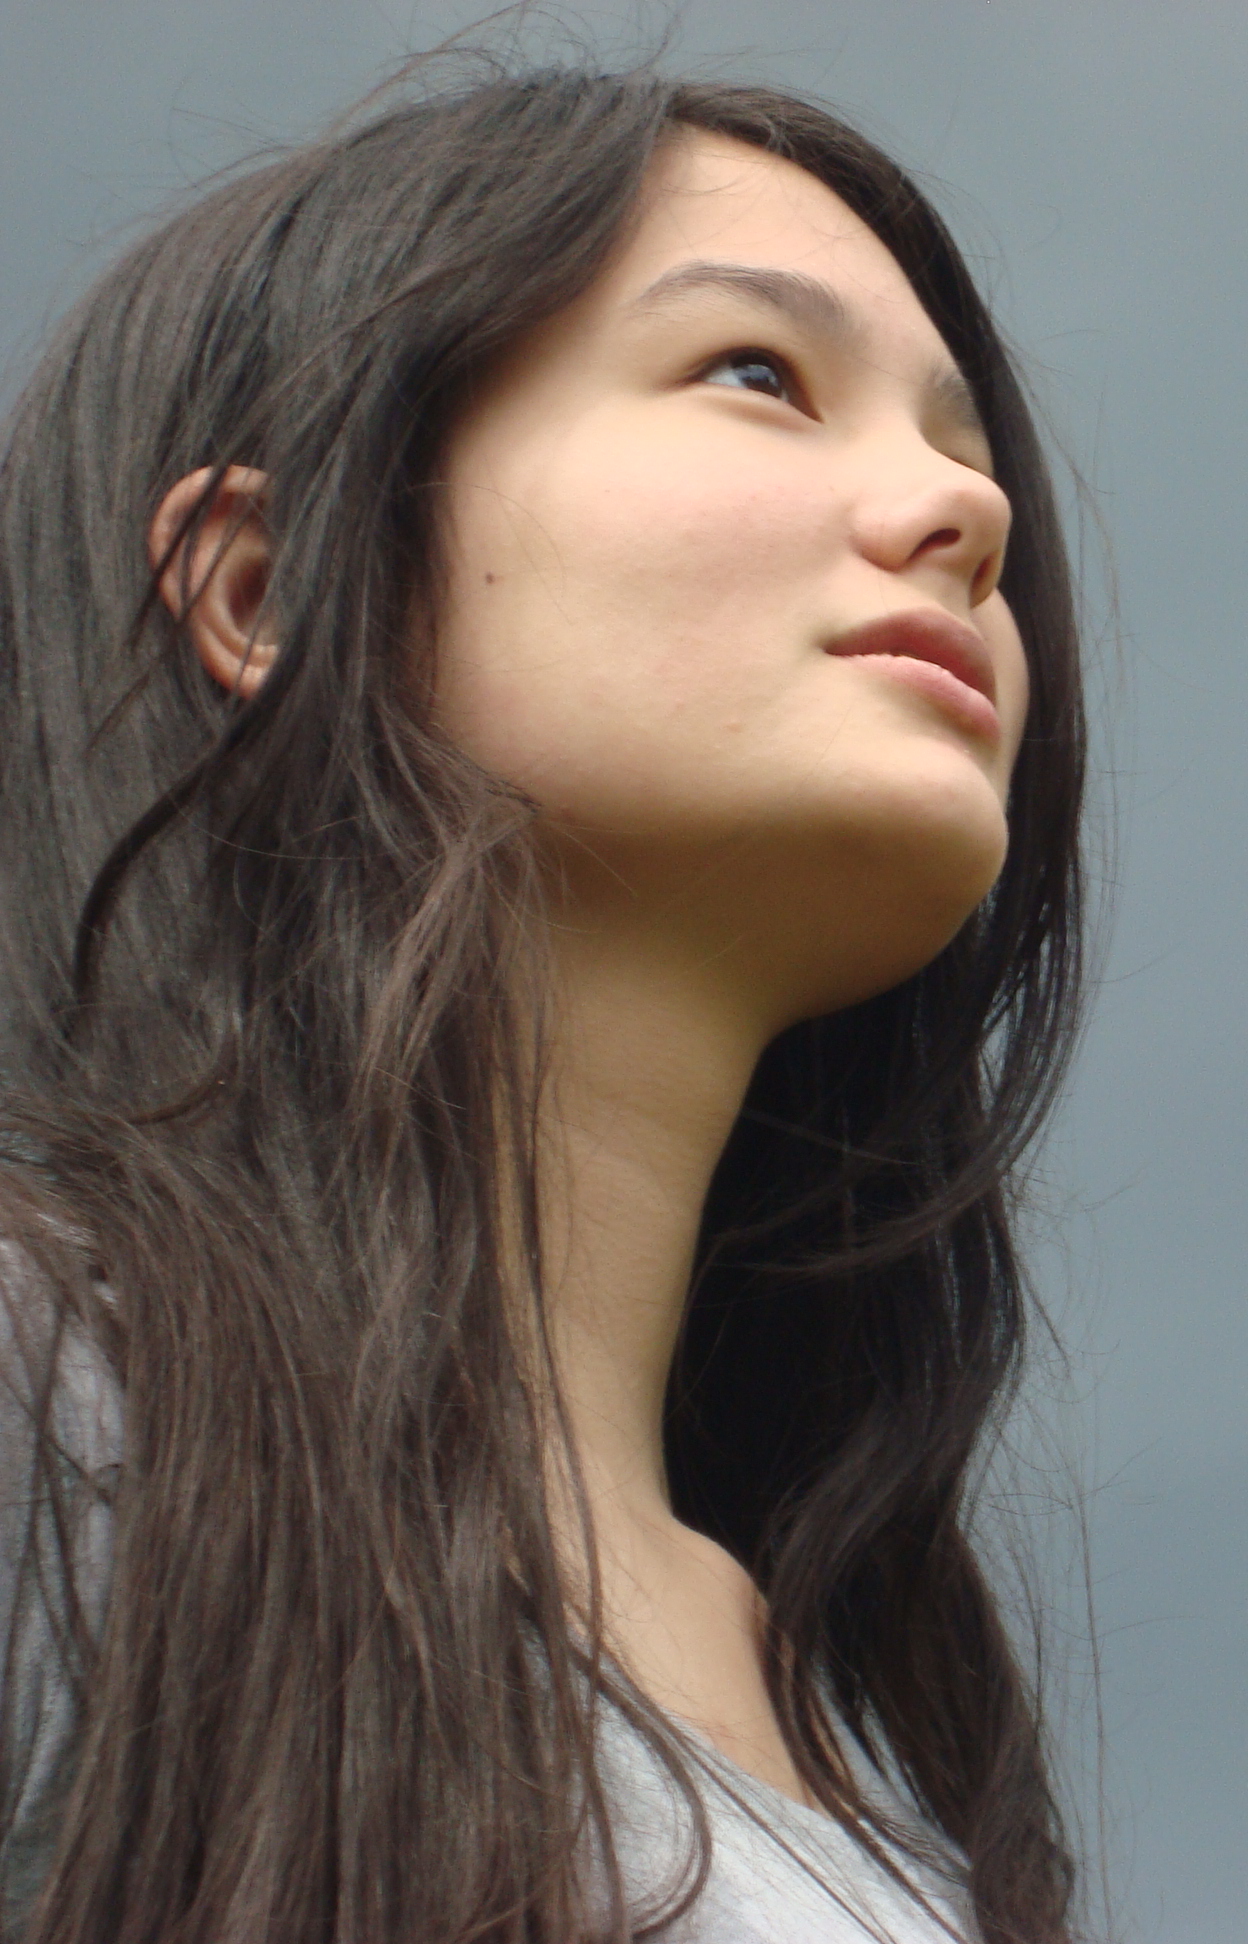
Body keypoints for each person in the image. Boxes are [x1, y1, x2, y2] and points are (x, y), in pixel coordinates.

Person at [0, 55, 1089, 1944]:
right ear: (265, 584)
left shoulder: (878, 1737)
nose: (958, 514)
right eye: (758, 374)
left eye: (964, 448)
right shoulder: (54, 1421)